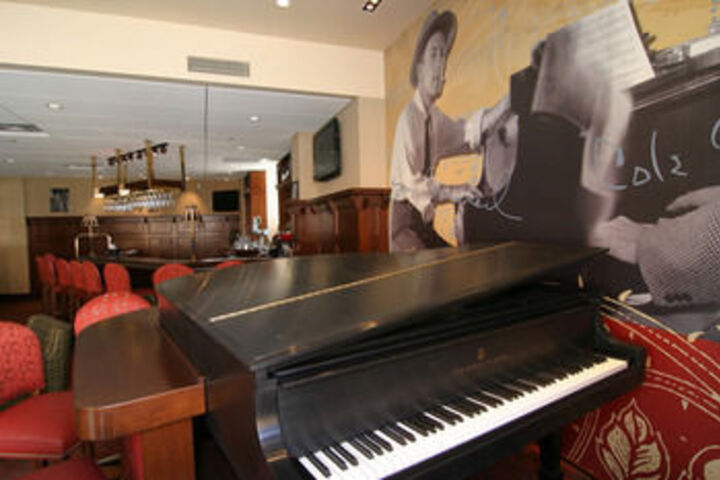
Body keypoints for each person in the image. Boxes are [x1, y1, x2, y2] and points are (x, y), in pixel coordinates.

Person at [389, 10, 511, 251]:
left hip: (425, 224)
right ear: (420, 67)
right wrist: (454, 191)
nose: (441, 65)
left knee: (455, 260)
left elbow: (466, 133)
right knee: (429, 270)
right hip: (405, 227)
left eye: (443, 56)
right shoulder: (408, 119)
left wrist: (506, 104)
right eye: (434, 54)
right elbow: (412, 183)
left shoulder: (436, 119)